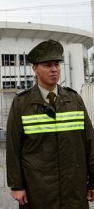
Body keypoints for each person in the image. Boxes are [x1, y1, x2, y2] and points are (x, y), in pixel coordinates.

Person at [6, 39, 94, 208]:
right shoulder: (22, 104)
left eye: (57, 64)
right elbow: (13, 147)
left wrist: (93, 181)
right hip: (38, 191)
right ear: (35, 69)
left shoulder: (74, 100)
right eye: (47, 65)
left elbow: (90, 142)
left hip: (73, 190)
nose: (54, 69)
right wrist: (17, 185)